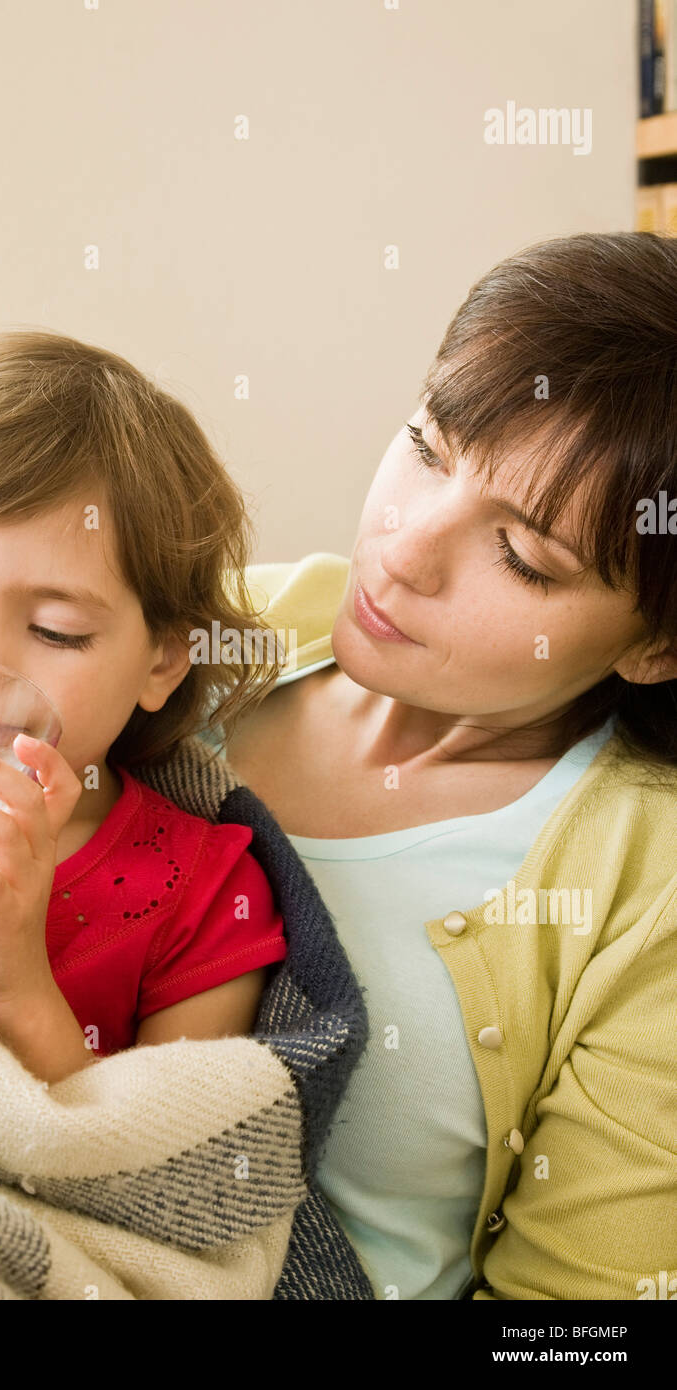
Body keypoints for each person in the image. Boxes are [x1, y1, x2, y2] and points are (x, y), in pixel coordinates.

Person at [214, 232, 677, 1299]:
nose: (405, 548)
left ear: (656, 645)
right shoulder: (232, 628)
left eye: (524, 557)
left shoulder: (642, 888)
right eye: (427, 447)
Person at [0, 328, 288, 1085]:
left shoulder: (203, 896)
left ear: (162, 660)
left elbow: (156, 1172)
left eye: (55, 632)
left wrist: (16, 992)